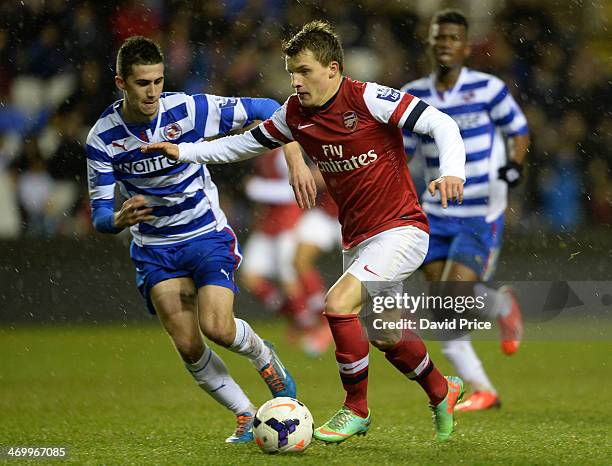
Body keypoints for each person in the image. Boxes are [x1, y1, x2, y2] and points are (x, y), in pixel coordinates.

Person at [143, 21, 467, 443]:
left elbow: (442, 125)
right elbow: (240, 144)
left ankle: (356, 409)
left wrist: (451, 173)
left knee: (337, 305)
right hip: (358, 237)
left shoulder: (367, 98)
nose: (295, 81)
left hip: (402, 229)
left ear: (333, 69)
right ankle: (443, 390)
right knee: (386, 334)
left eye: (304, 71)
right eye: (292, 72)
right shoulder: (295, 116)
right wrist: (183, 151)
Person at [85, 36, 296, 444]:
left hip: (204, 233)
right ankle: (246, 415)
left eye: (158, 81)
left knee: (217, 327)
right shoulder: (102, 138)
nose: (152, 92)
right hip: (155, 249)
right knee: (186, 343)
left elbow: (269, 109)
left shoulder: (189, 108)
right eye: (142, 83)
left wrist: (290, 154)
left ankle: (264, 356)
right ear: (120, 83)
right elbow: (99, 217)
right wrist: (118, 219)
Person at [402, 9, 529, 412]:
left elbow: (518, 130)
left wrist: (515, 164)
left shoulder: (489, 89)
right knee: (443, 309)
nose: (445, 44)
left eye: (453, 38)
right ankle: (483, 388)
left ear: (466, 46)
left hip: (479, 209)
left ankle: (501, 307)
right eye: (439, 37)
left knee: (453, 295)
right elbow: (400, 154)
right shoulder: (412, 95)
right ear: (429, 42)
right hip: (433, 211)